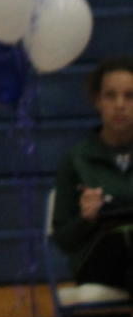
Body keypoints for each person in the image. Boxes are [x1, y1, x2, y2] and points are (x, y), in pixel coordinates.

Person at [51, 55, 133, 297]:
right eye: (111, 95)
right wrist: (86, 219)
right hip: (98, 261)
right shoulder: (76, 160)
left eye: (130, 96)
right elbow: (63, 239)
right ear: (97, 101)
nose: (120, 104)